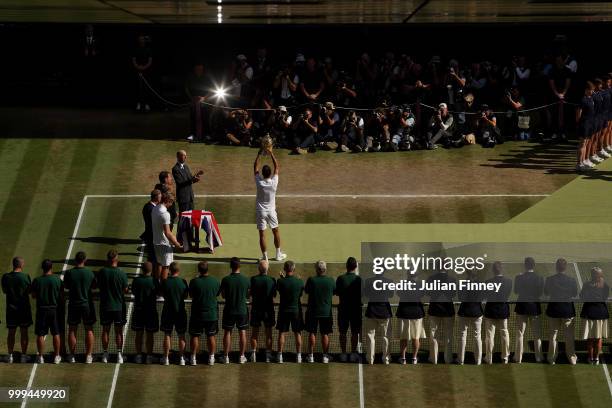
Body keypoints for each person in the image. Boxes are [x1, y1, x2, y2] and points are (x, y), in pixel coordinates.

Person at [254, 149, 286, 261]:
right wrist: (271, 153)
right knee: (276, 231)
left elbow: (255, 167)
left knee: (262, 235)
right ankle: (278, 255)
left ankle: (265, 257)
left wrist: (259, 154)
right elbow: (277, 167)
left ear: (262, 173)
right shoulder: (274, 182)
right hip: (272, 212)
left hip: (261, 212)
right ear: (270, 173)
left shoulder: (259, 182)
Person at [63, 251, 96, 364]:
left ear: (75, 260)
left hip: (73, 305)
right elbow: (94, 286)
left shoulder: (69, 273)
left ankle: (72, 356)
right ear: (85, 260)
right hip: (87, 305)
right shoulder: (90, 273)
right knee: (89, 329)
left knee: (72, 330)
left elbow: (66, 286)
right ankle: (88, 356)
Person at [97, 249, 128, 364]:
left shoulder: (102, 272)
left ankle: (105, 354)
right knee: (119, 331)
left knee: (105, 330)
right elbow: (125, 289)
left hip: (105, 306)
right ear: (116, 259)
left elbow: (98, 285)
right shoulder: (121, 273)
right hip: (118, 307)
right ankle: (119, 355)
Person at [544, 258, 578, 365]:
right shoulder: (572, 280)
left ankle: (551, 358)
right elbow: (574, 293)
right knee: (569, 336)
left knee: (553, 335)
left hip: (554, 310)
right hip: (567, 310)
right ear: (565, 267)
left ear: (556, 267)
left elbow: (546, 292)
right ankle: (572, 358)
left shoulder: (550, 279)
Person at [188, 261, 220, 366]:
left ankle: (193, 358)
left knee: (195, 336)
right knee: (211, 336)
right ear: (207, 269)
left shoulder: (194, 282)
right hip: (211, 315)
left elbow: (191, 295)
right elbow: (217, 293)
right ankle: (211, 358)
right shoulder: (215, 281)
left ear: (199, 270)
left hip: (197, 315)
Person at [31, 259, 63, 364]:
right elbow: (61, 295)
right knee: (56, 333)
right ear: (51, 267)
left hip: (42, 310)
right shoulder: (57, 280)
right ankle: (57, 356)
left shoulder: (37, 280)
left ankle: (40, 357)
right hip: (54, 310)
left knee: (40, 334)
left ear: (42, 268)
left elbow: (34, 296)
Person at [219, 257, 250, 364]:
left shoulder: (225, 280)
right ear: (239, 266)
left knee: (227, 332)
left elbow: (223, 295)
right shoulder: (246, 280)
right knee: (242, 332)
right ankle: (241, 356)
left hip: (229, 310)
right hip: (242, 311)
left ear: (230, 266)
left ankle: (226, 356)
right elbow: (248, 295)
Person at [513, 257, 544, 363]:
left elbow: (516, 291)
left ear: (525, 265)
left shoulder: (519, 277)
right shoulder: (539, 278)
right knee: (537, 334)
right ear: (534, 265)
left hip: (522, 307)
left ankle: (518, 357)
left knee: (520, 333)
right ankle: (538, 357)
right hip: (534, 307)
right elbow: (540, 293)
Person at [2, 256, 32, 363]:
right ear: (21, 265)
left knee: (11, 332)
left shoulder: (5, 277)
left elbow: (5, 291)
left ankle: (10, 356)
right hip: (24, 310)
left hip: (11, 310)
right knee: (24, 332)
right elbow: (29, 291)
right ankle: (24, 355)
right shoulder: (26, 277)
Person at [304, 261, 335, 363]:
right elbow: (334, 291)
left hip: (313, 312)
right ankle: (325, 357)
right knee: (325, 334)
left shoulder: (311, 280)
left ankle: (311, 356)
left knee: (312, 333)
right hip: (326, 313)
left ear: (317, 270)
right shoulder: (331, 281)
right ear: (325, 269)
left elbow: (306, 291)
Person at [482, 262, 512, 364]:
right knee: (504, 333)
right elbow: (507, 294)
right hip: (503, 310)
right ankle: (505, 357)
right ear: (501, 269)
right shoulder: (508, 282)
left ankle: (489, 358)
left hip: (490, 310)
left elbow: (485, 296)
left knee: (489, 335)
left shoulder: (487, 282)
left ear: (493, 270)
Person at [159, 262, 188, 366]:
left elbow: (162, 294)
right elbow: (185, 296)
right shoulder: (183, 282)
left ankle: (166, 358)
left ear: (170, 270)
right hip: (180, 312)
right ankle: (182, 358)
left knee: (167, 334)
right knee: (181, 335)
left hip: (167, 312)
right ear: (178, 270)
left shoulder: (165, 282)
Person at [276, 260, 304, 363]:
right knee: (298, 333)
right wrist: (298, 280)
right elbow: (299, 293)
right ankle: (299, 356)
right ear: (294, 269)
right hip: (296, 311)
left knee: (282, 333)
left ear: (284, 269)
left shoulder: (280, 281)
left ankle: (279, 356)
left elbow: (283, 287)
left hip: (283, 311)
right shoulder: (299, 282)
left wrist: (283, 278)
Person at [426, 269, 456, 364]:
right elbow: (453, 294)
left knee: (434, 334)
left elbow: (428, 292)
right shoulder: (452, 279)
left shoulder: (431, 278)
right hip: (448, 310)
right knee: (448, 335)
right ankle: (448, 359)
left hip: (434, 310)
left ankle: (434, 358)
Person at [335, 257, 362, 362]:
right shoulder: (359, 280)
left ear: (346, 266)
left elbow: (337, 292)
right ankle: (353, 353)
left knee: (343, 332)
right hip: (355, 311)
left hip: (343, 310)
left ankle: (343, 353)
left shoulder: (340, 278)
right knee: (355, 332)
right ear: (355, 267)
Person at [580, 267, 609, 365]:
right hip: (600, 314)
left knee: (590, 338)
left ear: (592, 275)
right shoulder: (605, 285)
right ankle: (596, 358)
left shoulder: (587, 285)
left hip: (589, 313)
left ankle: (590, 357)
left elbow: (582, 296)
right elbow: (605, 297)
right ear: (600, 275)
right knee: (598, 337)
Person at [131, 261, 159, 364]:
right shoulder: (155, 281)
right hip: (151, 312)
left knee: (139, 333)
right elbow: (158, 293)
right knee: (150, 334)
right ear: (151, 270)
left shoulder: (136, 281)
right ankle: (149, 356)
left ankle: (138, 356)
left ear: (142, 269)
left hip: (138, 311)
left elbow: (133, 292)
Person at [363, 271, 393, 365]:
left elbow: (367, 295)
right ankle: (386, 359)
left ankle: (370, 359)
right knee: (386, 337)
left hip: (372, 311)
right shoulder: (389, 281)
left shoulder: (368, 281)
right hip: (384, 312)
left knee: (370, 336)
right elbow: (391, 295)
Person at [249, 260, 276, 363]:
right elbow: (274, 295)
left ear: (258, 269)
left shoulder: (253, 279)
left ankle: (253, 354)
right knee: (268, 333)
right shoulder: (272, 280)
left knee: (254, 333)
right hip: (268, 310)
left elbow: (250, 294)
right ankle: (268, 355)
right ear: (267, 269)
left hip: (256, 309)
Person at [151, 193, 182, 280]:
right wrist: (176, 243)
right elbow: (168, 233)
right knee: (166, 266)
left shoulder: (155, 208)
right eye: (171, 203)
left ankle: (157, 285)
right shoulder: (165, 214)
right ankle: (163, 288)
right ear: (168, 201)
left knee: (159, 263)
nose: (171, 205)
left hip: (156, 242)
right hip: (164, 244)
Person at [457, 269, 483, 365]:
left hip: (464, 311)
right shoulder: (480, 284)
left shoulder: (462, 283)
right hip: (476, 312)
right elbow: (482, 297)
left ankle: (461, 360)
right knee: (477, 336)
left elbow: (460, 298)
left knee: (462, 336)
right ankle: (478, 360)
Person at [185, 62, 213, 142]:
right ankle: (192, 134)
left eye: (200, 69)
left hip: (205, 101)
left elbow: (211, 89)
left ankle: (207, 135)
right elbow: (186, 88)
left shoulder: (207, 78)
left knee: (205, 118)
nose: (199, 70)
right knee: (193, 118)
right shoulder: (191, 77)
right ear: (195, 69)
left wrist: (204, 98)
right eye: (197, 69)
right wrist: (191, 98)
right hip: (193, 101)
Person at [131, 34, 152, 112]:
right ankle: (138, 104)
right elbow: (133, 59)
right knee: (138, 88)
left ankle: (146, 104)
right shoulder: (135, 49)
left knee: (146, 88)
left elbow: (150, 60)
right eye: (140, 39)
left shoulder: (148, 49)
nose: (141, 40)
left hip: (146, 71)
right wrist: (138, 67)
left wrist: (144, 67)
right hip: (137, 71)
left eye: (142, 39)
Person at [140, 189, 161, 264]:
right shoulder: (152, 209)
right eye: (160, 197)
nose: (161, 198)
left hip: (149, 233)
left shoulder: (147, 206)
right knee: (154, 256)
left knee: (151, 255)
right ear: (156, 198)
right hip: (152, 235)